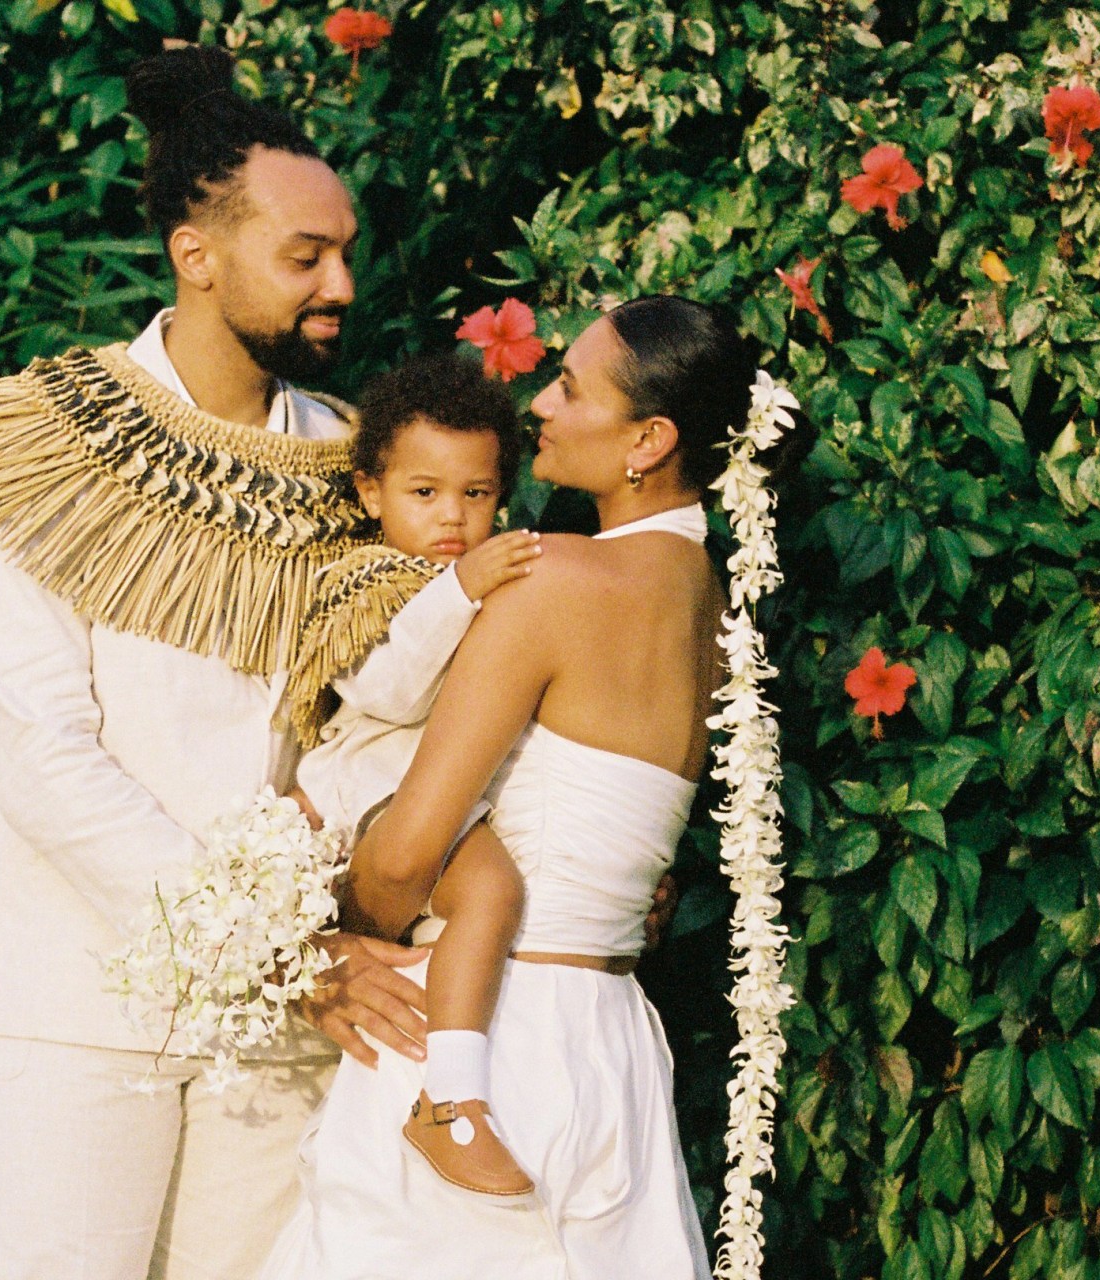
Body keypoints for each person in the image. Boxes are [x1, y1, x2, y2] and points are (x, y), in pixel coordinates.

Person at [0, 45, 430, 1280]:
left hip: (289, 1043)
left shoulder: (360, 467)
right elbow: (45, 763)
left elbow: (396, 723)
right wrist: (282, 954)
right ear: (198, 255)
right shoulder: (33, 455)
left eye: (345, 250)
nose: (341, 282)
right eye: (306, 256)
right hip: (80, 1016)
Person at [260, 295, 748, 1279]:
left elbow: (404, 853)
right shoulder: (716, 609)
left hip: (481, 1025)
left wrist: (330, 930)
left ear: (647, 439)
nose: (543, 406)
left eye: (570, 387)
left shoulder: (553, 579)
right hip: (610, 1038)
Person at [276, 351, 542, 1197]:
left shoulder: (496, 576)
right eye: (425, 494)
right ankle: (449, 1101)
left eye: (477, 494)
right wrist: (458, 592)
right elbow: (384, 689)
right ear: (370, 494)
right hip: (375, 790)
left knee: (484, 912)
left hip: (440, 795)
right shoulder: (368, 580)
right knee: (492, 892)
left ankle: (440, 1078)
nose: (454, 518)